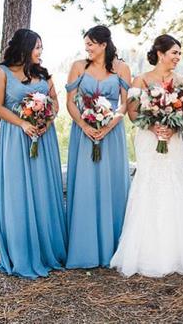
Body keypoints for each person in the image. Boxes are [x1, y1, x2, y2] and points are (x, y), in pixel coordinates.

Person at [110, 34, 183, 277]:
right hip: (149, 140)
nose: (178, 58)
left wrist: (173, 126)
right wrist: (153, 127)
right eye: (174, 53)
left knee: (175, 182)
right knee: (148, 183)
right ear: (160, 54)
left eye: (180, 54)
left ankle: (177, 251)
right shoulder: (141, 79)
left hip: (174, 138)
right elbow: (132, 111)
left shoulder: (182, 81)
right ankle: (144, 252)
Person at [0, 29, 67, 278]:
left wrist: (47, 120)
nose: (40, 52)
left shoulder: (43, 74)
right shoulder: (1, 72)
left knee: (43, 190)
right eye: (37, 47)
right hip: (15, 139)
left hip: (44, 139)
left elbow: (55, 102)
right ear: (24, 48)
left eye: (41, 48)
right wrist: (23, 123)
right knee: (19, 192)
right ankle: (23, 253)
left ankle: (48, 250)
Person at [65, 25, 131, 269]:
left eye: (91, 44)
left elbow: (124, 104)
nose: (87, 49)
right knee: (85, 185)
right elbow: (70, 102)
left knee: (112, 184)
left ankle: (114, 247)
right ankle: (85, 248)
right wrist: (84, 125)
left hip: (111, 133)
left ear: (104, 44)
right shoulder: (78, 67)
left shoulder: (122, 68)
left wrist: (109, 125)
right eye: (86, 45)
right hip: (84, 133)